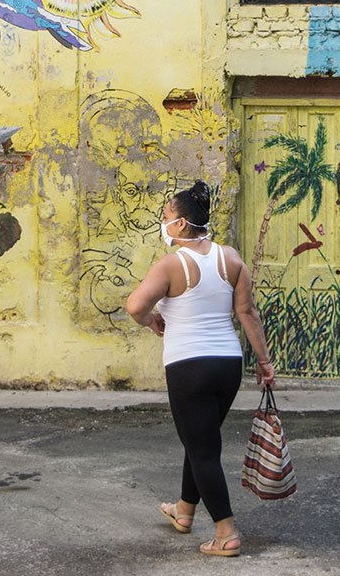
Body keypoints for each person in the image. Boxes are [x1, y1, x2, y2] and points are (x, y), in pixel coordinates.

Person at [125, 180, 275, 558]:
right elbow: (247, 313)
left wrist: (151, 321)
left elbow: (134, 307)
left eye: (166, 217)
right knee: (201, 440)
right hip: (227, 365)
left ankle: (226, 533)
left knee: (203, 448)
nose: (164, 223)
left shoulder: (171, 263)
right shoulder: (231, 259)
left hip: (189, 364)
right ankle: (184, 510)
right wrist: (264, 361)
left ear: (180, 224)